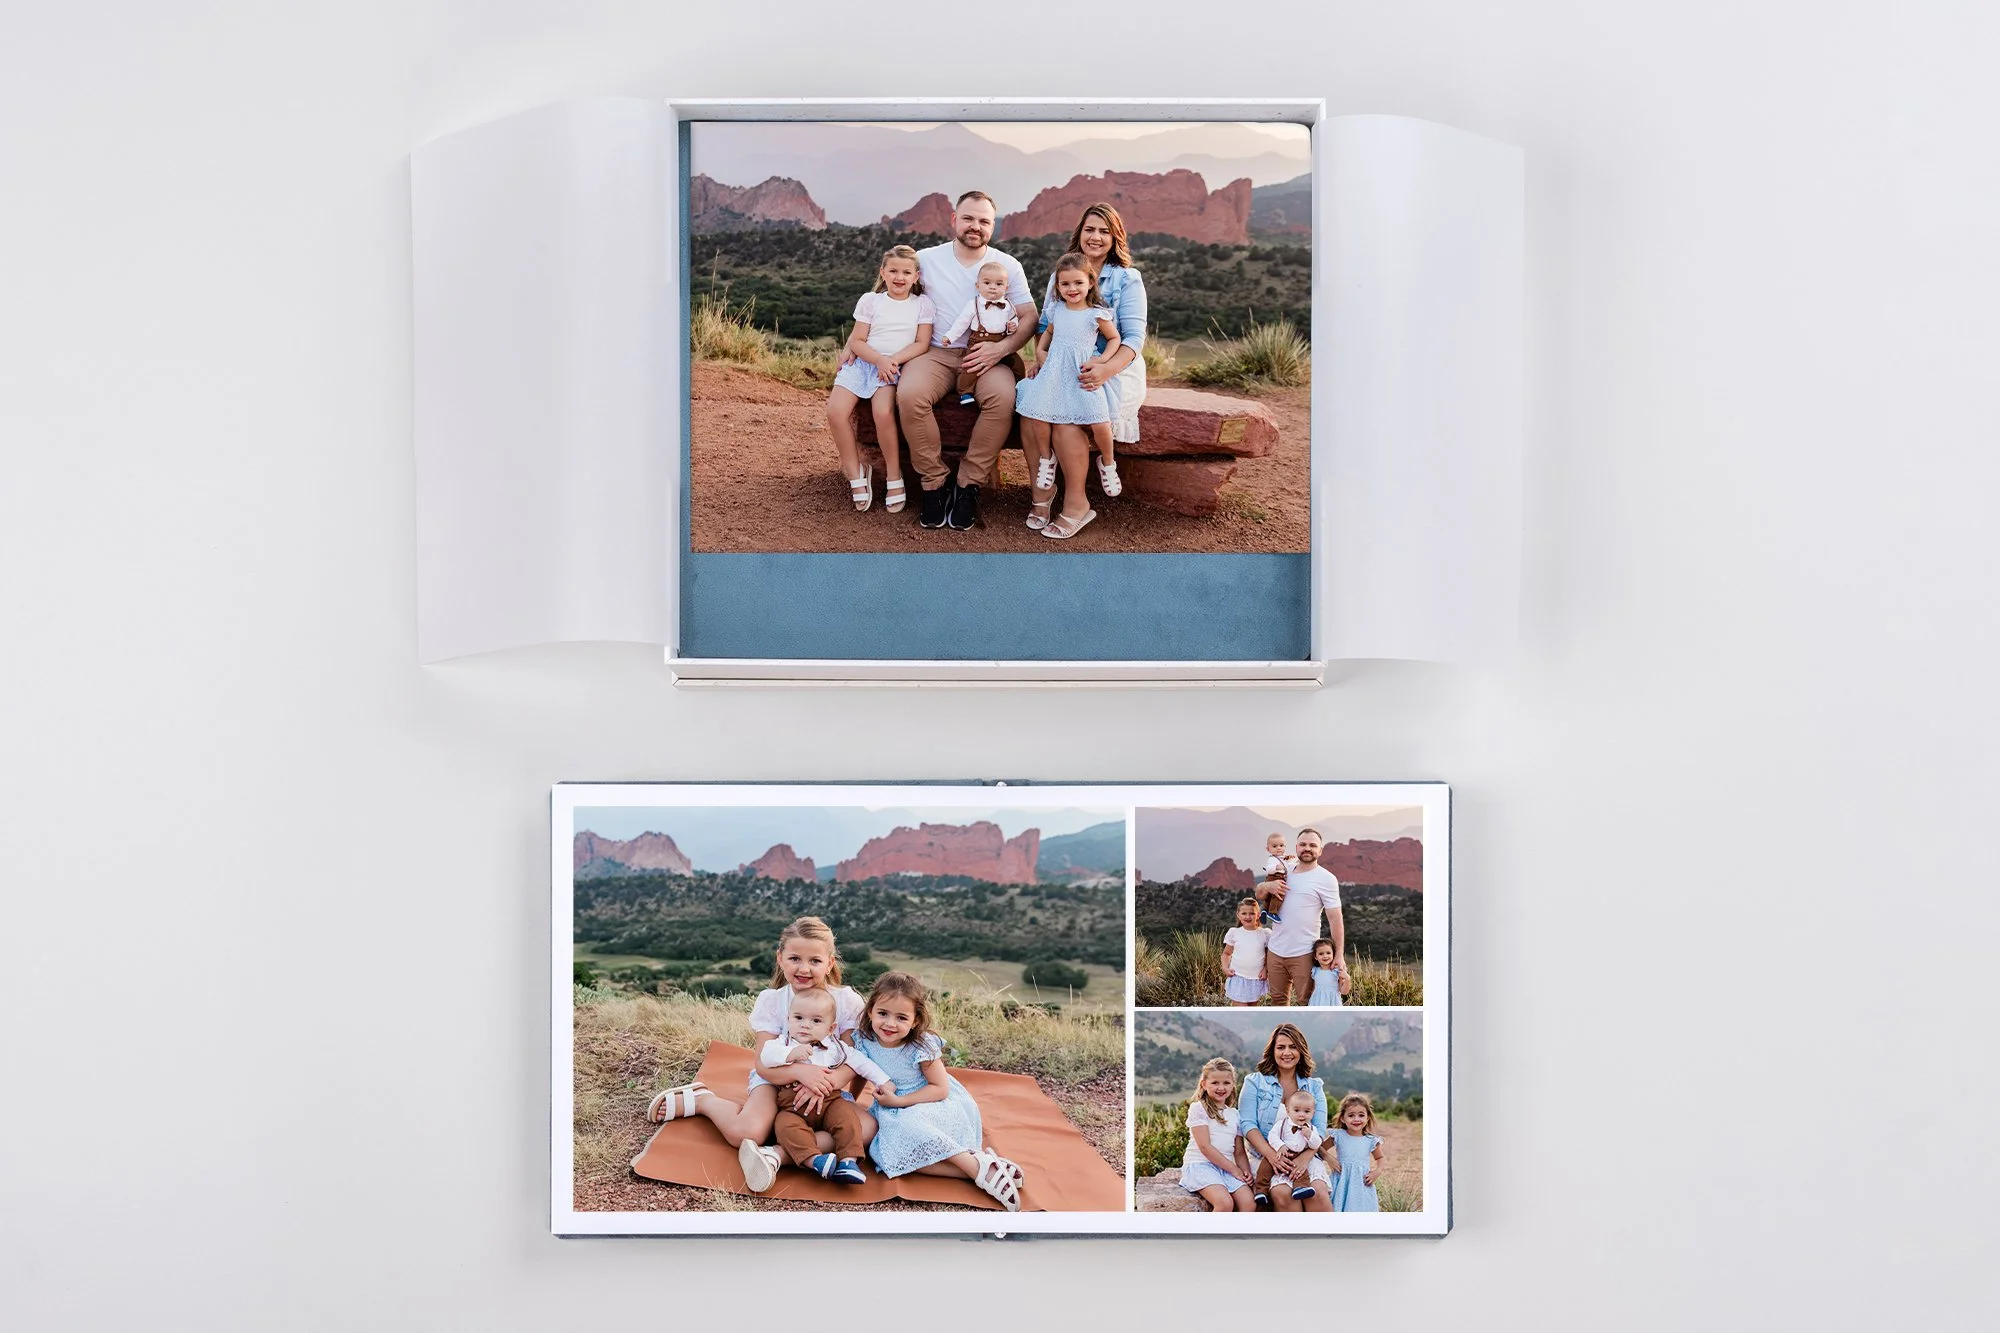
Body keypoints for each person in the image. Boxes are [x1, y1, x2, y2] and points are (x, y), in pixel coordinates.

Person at [643, 916, 874, 1192]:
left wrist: (825, 1084)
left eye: (814, 961)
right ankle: (704, 1100)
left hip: (826, 1087)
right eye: (794, 958)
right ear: (780, 958)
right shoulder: (773, 1000)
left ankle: (774, 1155)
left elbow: (851, 1058)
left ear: (830, 963)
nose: (803, 968)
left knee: (867, 1129)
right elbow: (764, 1064)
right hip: (776, 1079)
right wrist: (802, 1072)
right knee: (747, 1133)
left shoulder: (847, 1000)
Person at [891, 191, 1037, 532]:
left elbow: (1029, 316)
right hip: (936, 352)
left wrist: (1000, 351)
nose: (976, 226)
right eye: (969, 218)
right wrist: (858, 342)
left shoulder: (1007, 266)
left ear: (993, 226)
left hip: (987, 353)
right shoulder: (927, 259)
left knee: (1002, 398)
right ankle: (934, 483)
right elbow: (892, 296)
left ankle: (967, 484)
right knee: (910, 395)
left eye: (984, 221)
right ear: (954, 219)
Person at [852, 971, 1025, 1211]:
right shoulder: (864, 1040)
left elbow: (939, 1089)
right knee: (891, 1153)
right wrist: (853, 1099)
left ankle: (977, 1168)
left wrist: (899, 1102)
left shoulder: (920, 1046)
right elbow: (860, 1072)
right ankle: (979, 1168)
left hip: (931, 1102)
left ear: (915, 1020)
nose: (890, 1024)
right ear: (870, 1011)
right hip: (893, 1107)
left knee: (909, 1127)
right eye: (883, 1014)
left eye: (901, 1017)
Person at [1024, 203, 1149, 533]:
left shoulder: (1126, 279)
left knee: (1067, 423)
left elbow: (1133, 338)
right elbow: (1048, 326)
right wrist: (1041, 359)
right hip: (1063, 363)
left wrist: (1106, 368)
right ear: (1079, 233)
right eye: (1089, 229)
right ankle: (1043, 491)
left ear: (1115, 238)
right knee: (1032, 406)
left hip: (1114, 365)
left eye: (1104, 231)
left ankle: (1078, 503)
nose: (1095, 237)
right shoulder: (1059, 276)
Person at [1015, 252, 1120, 540]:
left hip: (1079, 374)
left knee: (1100, 422)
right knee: (1037, 413)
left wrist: (1102, 362)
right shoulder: (1057, 310)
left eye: (1077, 283)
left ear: (1090, 283)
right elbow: (1046, 334)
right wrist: (1039, 353)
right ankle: (1047, 461)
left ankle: (1108, 464)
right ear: (1057, 287)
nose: (1071, 289)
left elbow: (1115, 339)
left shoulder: (1096, 314)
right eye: (1064, 284)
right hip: (1055, 372)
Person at [826, 245, 935, 514]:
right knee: (835, 411)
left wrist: (892, 361)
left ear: (916, 276)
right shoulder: (870, 301)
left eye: (906, 272)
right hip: (865, 362)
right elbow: (858, 340)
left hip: (894, 366)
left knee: (883, 412)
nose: (899, 277)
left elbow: (922, 344)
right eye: (893, 271)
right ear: (882, 272)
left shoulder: (922, 304)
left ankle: (893, 475)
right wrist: (877, 360)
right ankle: (855, 471)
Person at [758, 987, 894, 1185]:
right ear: (789, 1019)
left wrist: (883, 1081)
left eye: (816, 1021)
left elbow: (861, 1062)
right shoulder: (784, 1043)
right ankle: (816, 1161)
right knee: (785, 1125)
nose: (805, 1025)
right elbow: (766, 1056)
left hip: (830, 1101)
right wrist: (790, 1055)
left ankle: (849, 1161)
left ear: (831, 1028)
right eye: (798, 1018)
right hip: (792, 1106)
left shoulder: (836, 1047)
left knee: (847, 1119)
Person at [1235, 1022, 1330, 1213]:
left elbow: (1319, 1129)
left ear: (1301, 1051)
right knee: (1282, 1194)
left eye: (1293, 1047)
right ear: (1272, 1051)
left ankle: (1324, 1241)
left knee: (1317, 1192)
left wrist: (1304, 1159)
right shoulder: (1254, 1082)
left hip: (1305, 1155)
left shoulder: (1314, 1087)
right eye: (1281, 1047)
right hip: (1265, 1158)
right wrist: (1272, 1156)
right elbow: (1247, 1124)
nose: (1287, 1052)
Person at [1262, 828, 1345, 1007]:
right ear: (1296, 847)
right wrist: (1267, 885)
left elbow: (1335, 919)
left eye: (1312, 845)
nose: (1307, 848)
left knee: (1307, 1002)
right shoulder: (1284, 868)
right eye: (1303, 844)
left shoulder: (1326, 879)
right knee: (1277, 1001)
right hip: (1275, 952)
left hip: (1304, 953)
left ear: (1320, 851)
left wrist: (1339, 955)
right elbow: (1259, 892)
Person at [1178, 1057, 1254, 1212]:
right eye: (1215, 1083)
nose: (1221, 1087)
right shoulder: (1198, 1109)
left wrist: (1246, 1173)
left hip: (1225, 1168)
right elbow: (1205, 1147)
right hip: (1201, 1165)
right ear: (1204, 1084)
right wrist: (1234, 1170)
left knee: (1249, 1203)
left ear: (1233, 1085)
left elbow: (1239, 1152)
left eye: (1226, 1083)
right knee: (1225, 1203)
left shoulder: (1234, 1114)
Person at [940, 261, 1021, 404]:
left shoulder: (1008, 305)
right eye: (987, 283)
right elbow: (961, 323)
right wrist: (950, 337)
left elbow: (1014, 319)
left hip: (1001, 342)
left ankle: (1020, 386)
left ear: (1006, 287)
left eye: (999, 284)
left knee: (1017, 364)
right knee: (971, 366)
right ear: (977, 285)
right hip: (979, 341)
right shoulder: (974, 304)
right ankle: (965, 391)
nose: (993, 287)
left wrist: (1013, 326)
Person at [1254, 1088, 1333, 1202]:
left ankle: (1300, 1188)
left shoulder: (1311, 1128)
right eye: (1296, 1110)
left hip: (1299, 1155)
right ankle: (1261, 1191)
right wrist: (1280, 1145)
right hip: (1281, 1153)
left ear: (1313, 1113)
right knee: (1265, 1168)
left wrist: (1310, 1136)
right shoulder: (1282, 1124)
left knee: (1301, 1172)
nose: (1301, 1115)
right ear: (1288, 1111)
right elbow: (1272, 1136)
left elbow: (1316, 1144)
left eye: (1307, 1111)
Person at [1327, 1093, 1386, 1212]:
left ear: (1367, 1117)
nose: (1356, 1119)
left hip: (1361, 1183)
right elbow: (1319, 1147)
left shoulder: (1371, 1140)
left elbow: (1380, 1158)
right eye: (1351, 1115)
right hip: (1341, 1180)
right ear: (1343, 1118)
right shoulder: (1338, 1135)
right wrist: (1329, 1159)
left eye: (1361, 1115)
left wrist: (1377, 1171)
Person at [1219, 897, 1269, 1006]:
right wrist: (1225, 968)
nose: (1247, 916)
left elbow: (1269, 956)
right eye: (1244, 913)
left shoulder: (1264, 934)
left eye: (1251, 913)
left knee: (1252, 1008)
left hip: (1256, 980)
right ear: (1238, 914)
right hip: (1238, 978)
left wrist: (1265, 969)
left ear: (1258, 914)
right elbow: (1226, 953)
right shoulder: (1234, 933)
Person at [1256, 830, 1293, 928]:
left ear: (1285, 847)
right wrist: (1277, 867)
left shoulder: (1281, 857)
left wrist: (1289, 859)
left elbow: (1287, 863)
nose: (1278, 848)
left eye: (1281, 845)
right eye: (1274, 846)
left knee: (1270, 897)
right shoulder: (1271, 859)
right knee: (1279, 895)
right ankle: (1273, 912)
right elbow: (1268, 869)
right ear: (1268, 848)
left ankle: (1265, 910)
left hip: (1275, 878)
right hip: (1275, 877)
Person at [1308, 938, 1347, 1008]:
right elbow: (1315, 988)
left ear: (1333, 954)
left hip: (1333, 1002)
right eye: (1321, 954)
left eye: (1328, 953)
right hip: (1317, 1002)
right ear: (1315, 957)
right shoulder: (1315, 971)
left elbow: (1344, 991)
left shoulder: (1337, 971)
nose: (1325, 956)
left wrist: (1347, 979)